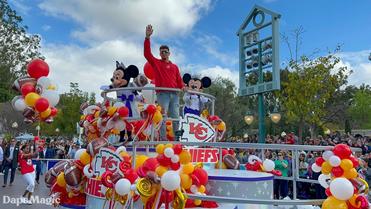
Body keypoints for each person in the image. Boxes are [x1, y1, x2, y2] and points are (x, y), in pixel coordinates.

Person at [144, 24, 184, 140]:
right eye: (162, 52)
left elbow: (179, 80)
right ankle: (163, 138)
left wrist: (183, 87)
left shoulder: (175, 67)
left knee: (176, 117)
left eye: (166, 52)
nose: (164, 53)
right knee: (163, 116)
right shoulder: (156, 63)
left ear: (169, 53)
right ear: (160, 54)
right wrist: (147, 38)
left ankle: (177, 139)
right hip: (162, 94)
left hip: (175, 95)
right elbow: (147, 54)